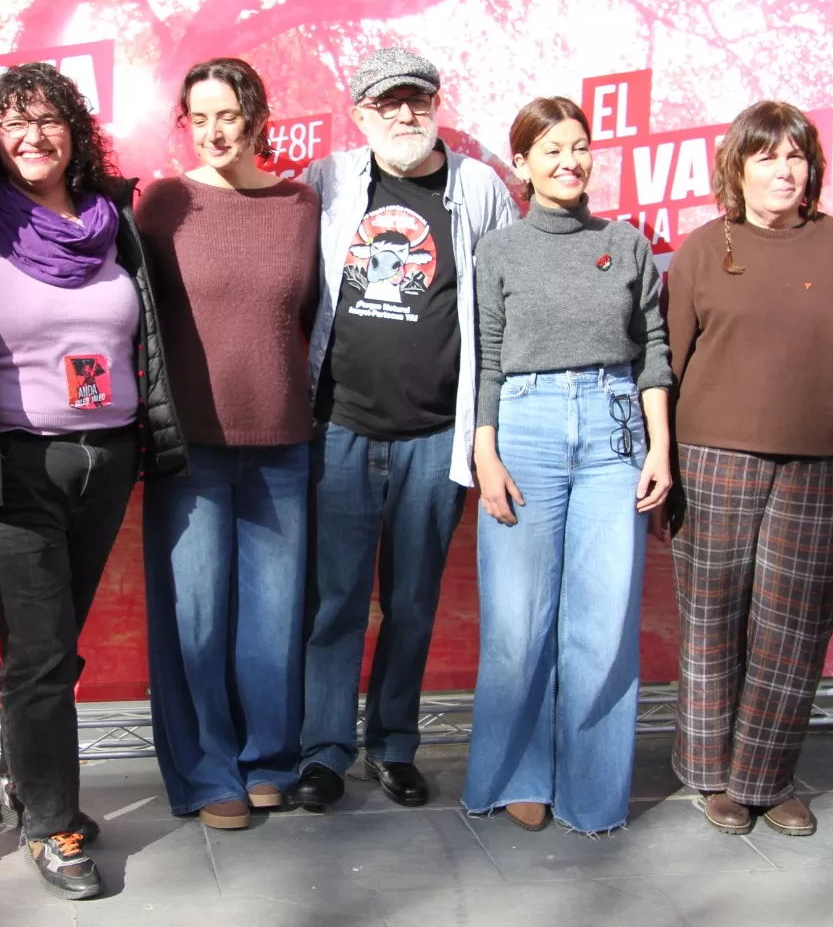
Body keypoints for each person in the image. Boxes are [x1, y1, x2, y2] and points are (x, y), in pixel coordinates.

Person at [0, 62, 186, 900]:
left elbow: (146, 331)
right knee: (43, 653)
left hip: (107, 458)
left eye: (48, 119)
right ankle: (54, 826)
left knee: (49, 644)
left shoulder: (111, 220)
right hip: (15, 466)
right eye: (13, 122)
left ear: (74, 130)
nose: (33, 136)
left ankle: (21, 773)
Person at [288, 47, 519, 812]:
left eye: (417, 99)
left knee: (413, 602)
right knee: (335, 603)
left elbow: (501, 313)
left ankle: (393, 745)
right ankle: (323, 752)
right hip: (341, 428)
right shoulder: (329, 181)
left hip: (434, 436)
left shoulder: (478, 188)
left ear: (436, 104)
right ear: (359, 115)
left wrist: (488, 434)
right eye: (386, 103)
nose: (404, 115)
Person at [665, 100, 833, 838]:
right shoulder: (704, 248)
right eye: (766, 156)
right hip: (711, 462)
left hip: (818, 468)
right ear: (738, 166)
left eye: (795, 156)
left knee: (793, 628)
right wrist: (661, 458)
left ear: (812, 168)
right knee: (713, 625)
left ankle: (767, 777)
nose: (783, 170)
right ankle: (712, 777)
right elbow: (664, 367)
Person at [463, 97, 672, 834]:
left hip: (616, 432)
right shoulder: (500, 250)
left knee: (603, 621)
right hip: (526, 427)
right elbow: (485, 356)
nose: (570, 161)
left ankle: (591, 789)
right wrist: (484, 450)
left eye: (580, 146)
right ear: (520, 164)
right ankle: (518, 772)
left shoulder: (626, 241)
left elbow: (654, 352)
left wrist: (661, 450)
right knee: (518, 624)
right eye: (551, 149)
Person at [135, 58, 320, 831]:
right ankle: (209, 771)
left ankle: (269, 760)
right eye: (198, 116)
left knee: (274, 620)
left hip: (282, 440)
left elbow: (309, 314)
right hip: (190, 449)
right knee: (197, 619)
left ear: (256, 116)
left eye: (228, 115)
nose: (213, 131)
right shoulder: (162, 203)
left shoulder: (301, 204)